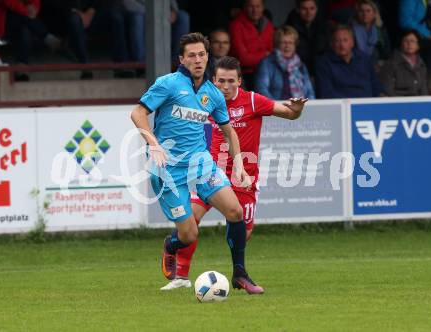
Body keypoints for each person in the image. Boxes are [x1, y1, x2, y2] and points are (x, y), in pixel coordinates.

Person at [160, 56, 308, 291]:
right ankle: (181, 275)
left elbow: (289, 113)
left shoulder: (252, 100)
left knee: (244, 232)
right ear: (213, 80)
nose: (225, 87)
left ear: (240, 81)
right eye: (220, 81)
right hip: (210, 172)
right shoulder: (204, 100)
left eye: (231, 81)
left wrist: (297, 110)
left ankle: (238, 273)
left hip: (243, 176)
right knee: (191, 220)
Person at [131, 33, 262, 294]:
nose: (198, 60)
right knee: (189, 235)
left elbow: (229, 131)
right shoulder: (168, 84)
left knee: (235, 212)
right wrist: (153, 144)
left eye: (202, 54)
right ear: (181, 59)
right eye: (191, 55)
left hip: (201, 164)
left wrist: (238, 165)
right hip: (168, 169)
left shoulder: (213, 94)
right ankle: (171, 245)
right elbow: (138, 113)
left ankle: (240, 274)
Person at [0, 0, 61, 80]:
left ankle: (22, 66)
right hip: (1, 20)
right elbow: (7, 2)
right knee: (23, 19)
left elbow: (35, 2)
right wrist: (25, 10)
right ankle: (47, 37)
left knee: (25, 29)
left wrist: (34, 9)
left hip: (21, 19)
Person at [315, 24, 385, 98]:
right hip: (341, 106)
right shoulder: (324, 64)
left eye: (345, 40)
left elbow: (375, 85)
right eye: (337, 41)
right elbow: (326, 93)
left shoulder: (364, 59)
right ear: (332, 44)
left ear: (352, 42)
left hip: (368, 105)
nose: (342, 45)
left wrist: (382, 95)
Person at [255, 26, 315, 100]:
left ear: (295, 45)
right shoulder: (266, 64)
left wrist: (309, 108)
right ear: (277, 44)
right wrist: (277, 108)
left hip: (300, 109)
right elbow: (261, 90)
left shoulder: (301, 66)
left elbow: (310, 92)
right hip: (276, 109)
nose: (287, 46)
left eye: (291, 43)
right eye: (283, 42)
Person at [122, 0, 190, 64]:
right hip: (139, 11)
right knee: (137, 19)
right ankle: (142, 62)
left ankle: (177, 59)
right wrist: (150, 13)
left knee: (183, 17)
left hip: (161, 11)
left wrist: (174, 10)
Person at [229, 0, 274, 90]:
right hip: (244, 74)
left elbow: (272, 53)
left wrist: (253, 55)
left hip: (267, 71)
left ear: (263, 7)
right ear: (245, 7)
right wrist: (265, 54)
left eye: (258, 6)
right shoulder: (236, 25)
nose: (255, 10)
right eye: (251, 6)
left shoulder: (268, 25)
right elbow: (243, 59)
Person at [285, 0, 329, 76]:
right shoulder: (289, 27)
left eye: (312, 8)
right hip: (297, 71)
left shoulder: (324, 25)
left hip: (321, 71)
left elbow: (325, 52)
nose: (308, 13)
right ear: (297, 9)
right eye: (304, 9)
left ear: (317, 9)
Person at [379, 29, 428, 96]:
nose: (409, 44)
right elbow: (387, 90)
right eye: (406, 41)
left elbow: (423, 90)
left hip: (417, 104)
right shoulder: (390, 64)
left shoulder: (421, 64)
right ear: (401, 44)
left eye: (412, 41)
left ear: (418, 45)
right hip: (398, 103)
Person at [398, 0, 431, 79]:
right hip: (413, 35)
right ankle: (425, 84)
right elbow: (405, 21)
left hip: (429, 36)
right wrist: (428, 35)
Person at [350, 0, 391, 66]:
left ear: (374, 13)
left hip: (376, 65)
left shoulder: (380, 29)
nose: (365, 14)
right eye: (361, 11)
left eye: (368, 11)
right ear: (357, 13)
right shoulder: (350, 29)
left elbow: (386, 52)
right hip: (355, 64)